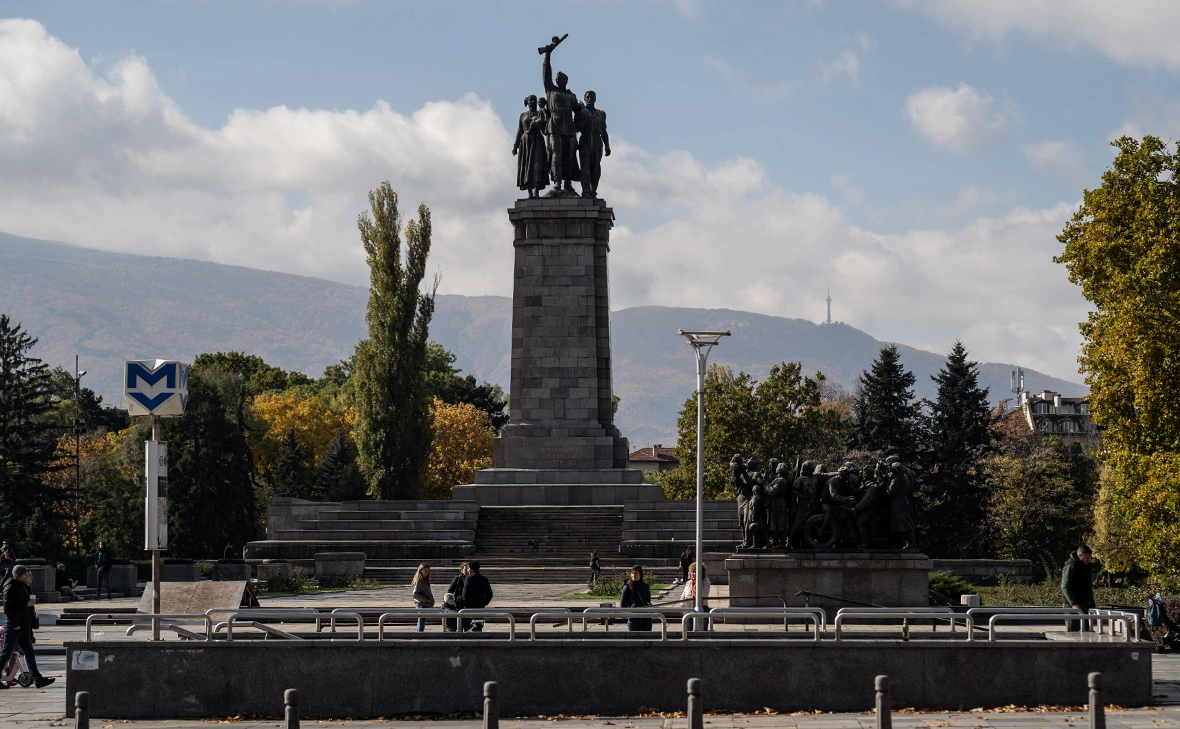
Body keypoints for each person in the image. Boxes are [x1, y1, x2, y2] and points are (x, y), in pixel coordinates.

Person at [0, 566, 53, 688]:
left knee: (29, 653)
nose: (28, 576)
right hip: (14, 627)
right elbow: (7, 608)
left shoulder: (23, 586)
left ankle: (37, 678)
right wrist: (16, 623)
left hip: (24, 627)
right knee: (6, 654)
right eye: (26, 574)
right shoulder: (11, 587)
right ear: (18, 575)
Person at [512, 95, 550, 198]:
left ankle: (536, 191)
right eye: (530, 100)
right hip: (525, 142)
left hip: (537, 140)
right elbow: (519, 130)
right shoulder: (523, 115)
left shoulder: (540, 113)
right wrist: (515, 145)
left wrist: (540, 123)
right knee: (526, 166)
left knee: (537, 164)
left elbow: (545, 128)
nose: (532, 102)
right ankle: (529, 191)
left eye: (534, 100)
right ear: (527, 102)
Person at [1062, 545, 1096, 632]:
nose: (1088, 560)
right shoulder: (1071, 566)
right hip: (1072, 605)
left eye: (1089, 557)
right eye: (1087, 557)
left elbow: (1088, 587)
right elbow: (1065, 587)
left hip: (1085, 605)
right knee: (1073, 632)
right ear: (1080, 555)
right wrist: (1073, 603)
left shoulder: (1087, 567)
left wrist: (1092, 604)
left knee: (1086, 631)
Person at [461, 562, 493, 632]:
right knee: (478, 625)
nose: (468, 570)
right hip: (480, 606)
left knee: (469, 627)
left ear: (472, 569)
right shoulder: (484, 579)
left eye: (468, 568)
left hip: (470, 607)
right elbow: (490, 594)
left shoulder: (469, 578)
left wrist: (465, 604)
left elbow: (465, 594)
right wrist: (484, 602)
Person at [620, 565, 652, 632]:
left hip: (646, 617)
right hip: (633, 618)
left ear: (640, 574)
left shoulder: (645, 586)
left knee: (647, 638)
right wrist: (631, 610)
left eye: (636, 573)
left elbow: (648, 600)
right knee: (634, 639)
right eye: (632, 573)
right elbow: (622, 604)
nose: (634, 575)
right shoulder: (627, 587)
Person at [682, 562, 712, 631]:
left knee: (702, 630)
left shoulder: (705, 581)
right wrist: (682, 608)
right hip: (688, 610)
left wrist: (698, 582)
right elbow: (683, 596)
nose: (693, 574)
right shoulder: (688, 583)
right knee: (689, 631)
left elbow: (703, 594)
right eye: (691, 572)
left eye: (695, 572)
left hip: (701, 609)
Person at [446, 563, 469, 633]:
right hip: (458, 604)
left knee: (468, 626)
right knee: (458, 624)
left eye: (468, 569)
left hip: (467, 605)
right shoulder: (458, 579)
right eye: (465, 569)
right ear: (461, 570)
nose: (467, 571)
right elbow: (450, 591)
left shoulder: (471, 579)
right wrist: (452, 601)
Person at [411, 563, 434, 633]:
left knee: (421, 623)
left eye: (428, 571)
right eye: (425, 571)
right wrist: (426, 600)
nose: (427, 572)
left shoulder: (424, 580)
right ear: (421, 571)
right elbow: (415, 594)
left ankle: (419, 636)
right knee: (421, 625)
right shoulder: (420, 581)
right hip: (422, 605)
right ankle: (419, 638)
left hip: (424, 605)